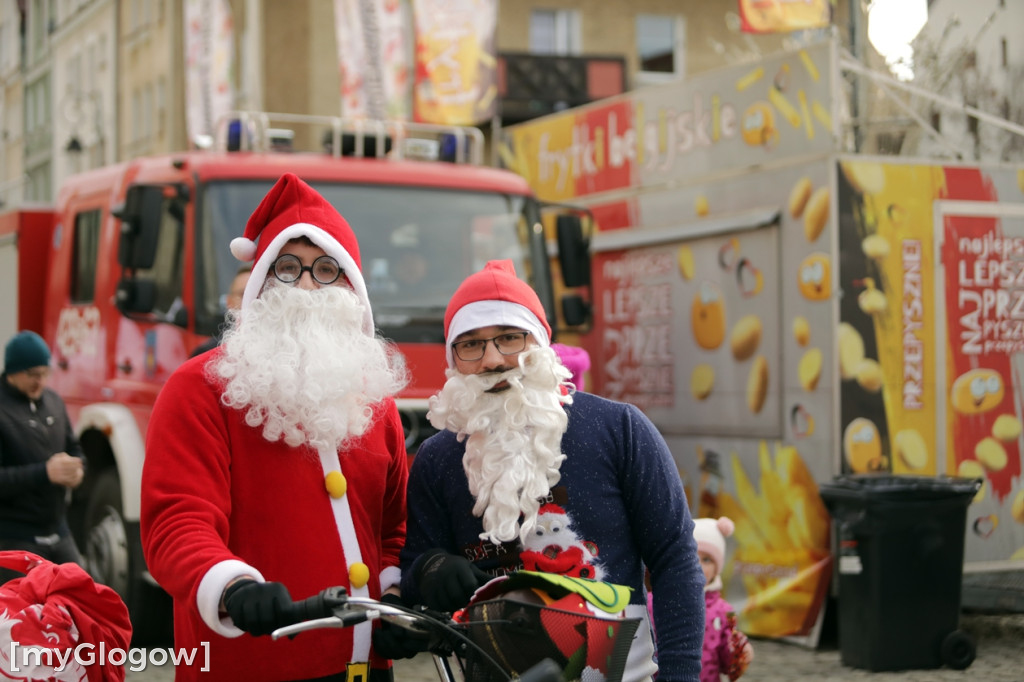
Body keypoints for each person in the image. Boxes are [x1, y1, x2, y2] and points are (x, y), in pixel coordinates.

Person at [141, 173, 412, 681]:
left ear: (353, 288)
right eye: (288, 268)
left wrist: (396, 593)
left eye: (327, 269)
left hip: (364, 668)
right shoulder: (198, 389)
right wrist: (231, 586)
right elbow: (176, 523)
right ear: (261, 284)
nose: (308, 285)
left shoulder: (376, 399)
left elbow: (392, 529)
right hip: (250, 666)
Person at [399, 260, 706, 680]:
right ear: (453, 359)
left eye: (509, 338)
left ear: (541, 343)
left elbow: (675, 558)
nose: (492, 360)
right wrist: (432, 569)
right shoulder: (437, 459)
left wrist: (680, 676)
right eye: (470, 345)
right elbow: (414, 572)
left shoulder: (620, 429)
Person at [0, 331, 86, 585]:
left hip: (58, 531)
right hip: (15, 537)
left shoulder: (53, 403)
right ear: (12, 372)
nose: (40, 382)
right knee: (27, 617)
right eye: (32, 375)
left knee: (83, 602)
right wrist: (45, 473)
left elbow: (75, 449)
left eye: (44, 373)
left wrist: (78, 471)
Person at [693, 516, 753, 682]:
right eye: (691, 556)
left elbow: (728, 666)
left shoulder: (723, 611)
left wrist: (739, 653)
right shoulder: (655, 601)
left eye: (706, 560)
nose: (697, 565)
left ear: (717, 568)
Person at [190, 265, 252, 357]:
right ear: (229, 302)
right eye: (243, 294)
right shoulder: (207, 354)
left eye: (260, 292)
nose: (252, 300)